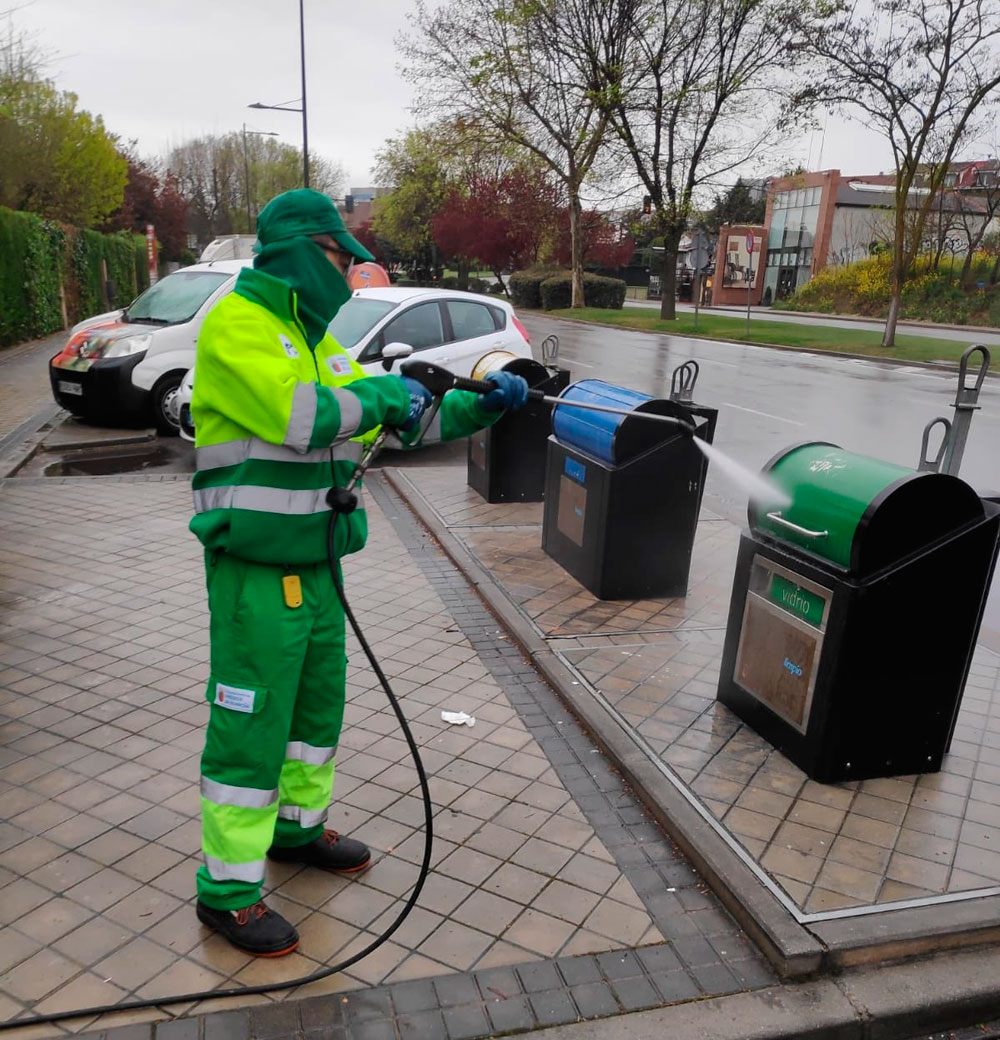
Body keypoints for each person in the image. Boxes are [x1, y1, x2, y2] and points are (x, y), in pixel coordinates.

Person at [188, 188, 529, 956]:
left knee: (314, 717)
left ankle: (297, 833)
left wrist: (479, 411)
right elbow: (305, 416)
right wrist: (383, 390)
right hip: (252, 572)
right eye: (341, 258)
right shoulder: (239, 327)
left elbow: (385, 421)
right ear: (302, 252)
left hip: (317, 568)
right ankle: (228, 892)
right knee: (250, 730)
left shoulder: (316, 340)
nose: (348, 273)